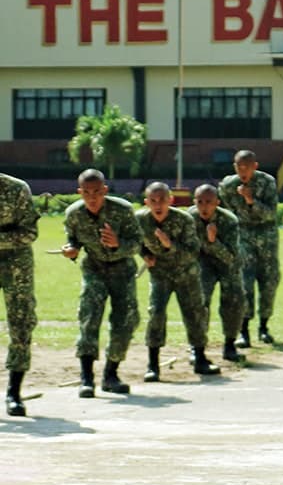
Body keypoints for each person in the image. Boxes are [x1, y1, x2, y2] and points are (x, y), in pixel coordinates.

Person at [62, 169, 141, 398]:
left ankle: (111, 374)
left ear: (105, 190)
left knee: (125, 321)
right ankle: (86, 379)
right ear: (80, 192)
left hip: (122, 271)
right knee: (89, 318)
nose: (92, 198)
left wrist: (118, 244)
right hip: (94, 269)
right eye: (86, 193)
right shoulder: (73, 214)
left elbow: (137, 243)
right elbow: (72, 239)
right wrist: (71, 250)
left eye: (97, 192)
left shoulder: (123, 210)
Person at [137, 182, 220, 381]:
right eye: (153, 201)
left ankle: (200, 358)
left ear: (171, 200)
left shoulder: (184, 220)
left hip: (186, 274)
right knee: (156, 313)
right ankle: (153, 364)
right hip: (160, 274)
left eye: (163, 200)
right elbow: (134, 241)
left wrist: (169, 245)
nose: (158, 205)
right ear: (146, 202)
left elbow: (193, 252)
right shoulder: (140, 220)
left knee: (195, 314)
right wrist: (145, 254)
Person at [219, 150, 280, 347]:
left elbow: (271, 214)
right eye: (239, 166)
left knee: (269, 282)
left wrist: (251, 201)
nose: (242, 171)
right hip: (243, 238)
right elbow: (227, 215)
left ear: (255, 166)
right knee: (245, 284)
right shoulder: (228, 186)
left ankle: (264, 327)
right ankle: (243, 331)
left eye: (247, 166)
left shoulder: (267, 182)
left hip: (267, 239)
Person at [188, 184, 245, 363]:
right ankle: (197, 346)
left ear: (217, 203)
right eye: (200, 202)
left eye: (209, 202)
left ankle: (230, 344)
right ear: (194, 202)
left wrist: (213, 241)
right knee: (200, 302)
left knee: (233, 301)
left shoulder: (229, 220)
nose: (204, 206)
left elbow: (230, 256)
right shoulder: (188, 218)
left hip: (228, 263)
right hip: (202, 262)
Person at [0, 173, 39, 416]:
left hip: (17, 264)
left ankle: (14, 392)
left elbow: (29, 232)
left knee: (21, 323)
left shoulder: (16, 188)